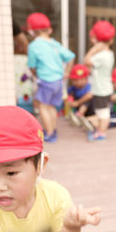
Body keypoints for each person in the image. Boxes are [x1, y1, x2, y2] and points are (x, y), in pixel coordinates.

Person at [27, 12, 75, 143]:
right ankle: (53, 130)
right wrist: (66, 73)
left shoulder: (33, 46)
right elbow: (71, 57)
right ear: (49, 30)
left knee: (43, 107)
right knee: (52, 107)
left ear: (31, 31)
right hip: (58, 82)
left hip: (46, 81)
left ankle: (48, 133)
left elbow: (32, 66)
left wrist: (35, 74)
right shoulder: (55, 44)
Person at [84, 20, 115, 142]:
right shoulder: (108, 53)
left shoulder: (101, 56)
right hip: (103, 88)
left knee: (103, 113)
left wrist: (93, 49)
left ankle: (101, 133)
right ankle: (100, 131)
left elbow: (86, 61)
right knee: (101, 112)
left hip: (101, 90)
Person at [66, 63, 95, 131]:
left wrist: (77, 103)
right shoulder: (74, 88)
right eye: (73, 80)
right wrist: (69, 100)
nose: (74, 82)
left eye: (77, 80)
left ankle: (78, 115)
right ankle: (77, 117)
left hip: (90, 110)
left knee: (88, 99)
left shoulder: (88, 86)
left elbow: (89, 95)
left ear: (85, 79)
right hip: (81, 110)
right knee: (72, 95)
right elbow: (66, 94)